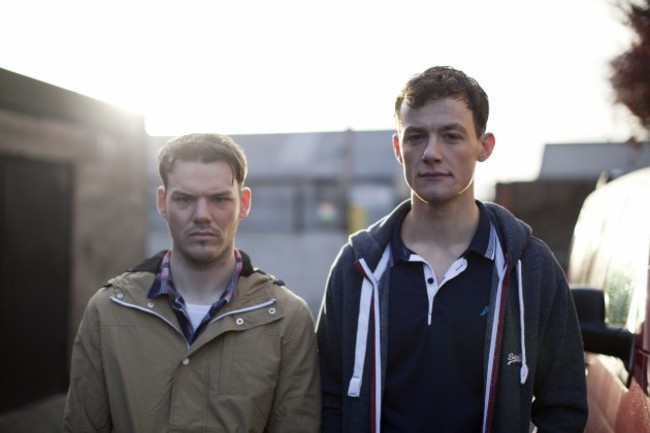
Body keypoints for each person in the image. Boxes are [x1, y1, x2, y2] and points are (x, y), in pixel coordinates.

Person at [316, 67, 587, 432]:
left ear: (484, 146)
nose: (431, 153)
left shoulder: (531, 268)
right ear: (399, 149)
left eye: (451, 135)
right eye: (416, 137)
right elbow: (327, 398)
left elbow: (563, 407)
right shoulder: (358, 266)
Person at [63, 133, 321, 433]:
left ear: (244, 203)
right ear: (162, 202)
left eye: (220, 199)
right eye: (185, 199)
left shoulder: (287, 320)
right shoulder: (108, 312)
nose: (202, 216)